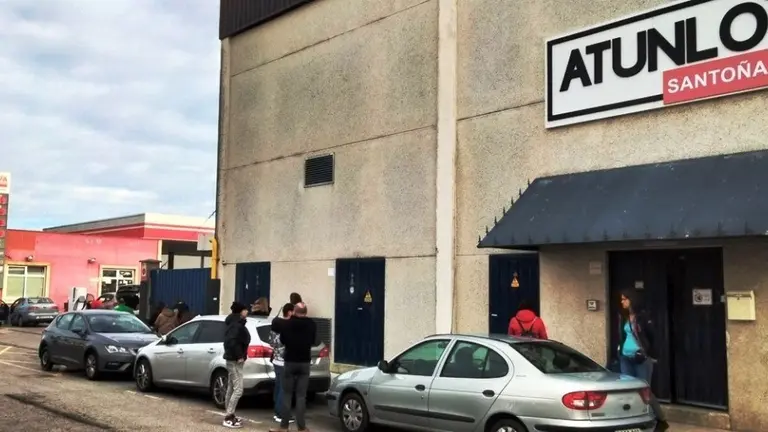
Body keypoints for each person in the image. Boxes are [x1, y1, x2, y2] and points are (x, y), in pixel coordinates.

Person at [618, 290, 668, 431]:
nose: (622, 302)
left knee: (644, 390)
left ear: (632, 300)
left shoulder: (643, 317)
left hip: (641, 358)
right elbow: (622, 336)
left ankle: (660, 419)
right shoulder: (624, 317)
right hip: (625, 357)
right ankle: (633, 420)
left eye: (624, 299)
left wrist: (650, 355)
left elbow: (653, 337)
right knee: (627, 389)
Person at [270, 302, 316, 432]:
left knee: (287, 394)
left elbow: (283, 340)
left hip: (290, 362)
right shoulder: (311, 324)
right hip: (304, 362)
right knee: (301, 396)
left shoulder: (287, 324)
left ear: (294, 311)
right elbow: (313, 340)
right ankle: (301, 427)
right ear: (306, 312)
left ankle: (284, 426)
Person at [223, 302, 250, 429]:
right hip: (234, 360)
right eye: (246, 309)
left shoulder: (235, 323)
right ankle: (228, 416)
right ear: (241, 312)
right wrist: (239, 355)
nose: (247, 312)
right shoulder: (236, 325)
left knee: (231, 387)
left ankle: (230, 414)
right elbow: (232, 341)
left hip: (232, 359)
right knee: (238, 389)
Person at [269, 303, 294, 423]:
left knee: (278, 387)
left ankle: (277, 412)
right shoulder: (285, 330)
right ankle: (281, 414)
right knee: (284, 389)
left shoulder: (273, 332)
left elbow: (271, 344)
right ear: (289, 312)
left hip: (276, 361)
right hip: (284, 362)